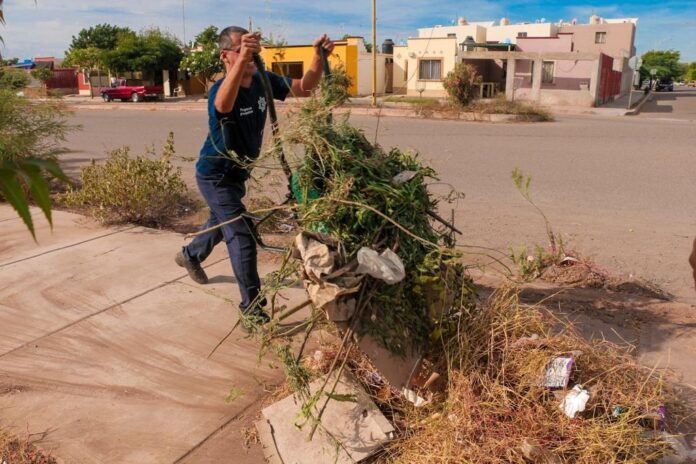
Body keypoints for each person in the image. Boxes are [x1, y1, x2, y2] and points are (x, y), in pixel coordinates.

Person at [175, 26, 334, 324]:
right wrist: (243, 59)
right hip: (215, 175)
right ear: (226, 56)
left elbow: (305, 88)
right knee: (242, 234)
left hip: (237, 175)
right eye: (241, 49)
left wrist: (317, 58)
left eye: (252, 48)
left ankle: (191, 255)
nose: (251, 54)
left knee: (222, 221)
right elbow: (224, 105)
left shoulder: (263, 80)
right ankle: (252, 310)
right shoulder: (220, 89)